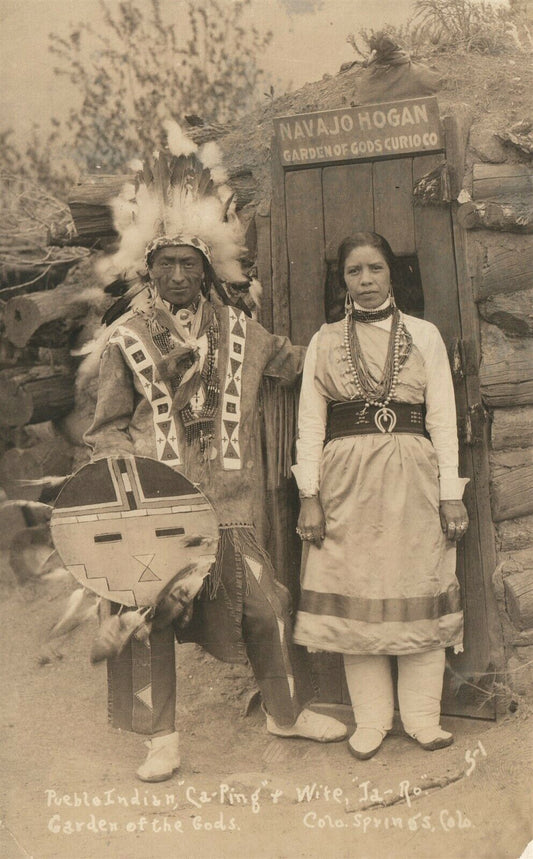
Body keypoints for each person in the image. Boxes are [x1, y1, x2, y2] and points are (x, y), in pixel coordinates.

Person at [84, 140, 347, 782]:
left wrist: (357, 342)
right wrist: (125, 490)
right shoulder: (127, 340)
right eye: (167, 264)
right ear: (151, 269)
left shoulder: (241, 332)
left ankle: (285, 712)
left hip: (230, 509)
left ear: (206, 269)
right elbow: (109, 428)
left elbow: (297, 362)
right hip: (156, 508)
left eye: (189, 264)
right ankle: (160, 738)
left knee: (266, 607)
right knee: (148, 625)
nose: (178, 275)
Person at [292, 232, 469, 760]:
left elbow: (442, 417)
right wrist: (309, 494)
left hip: (414, 478)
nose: (365, 281)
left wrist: (449, 492)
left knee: (420, 584)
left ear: (392, 273)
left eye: (375, 269)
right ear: (341, 278)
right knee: (358, 598)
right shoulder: (325, 341)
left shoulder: (424, 335)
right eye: (354, 272)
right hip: (346, 484)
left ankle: (422, 719)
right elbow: (308, 423)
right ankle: (371, 722)